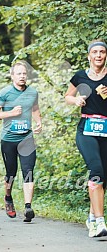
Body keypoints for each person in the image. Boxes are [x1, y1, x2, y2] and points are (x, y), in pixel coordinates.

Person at [0, 61, 42, 222]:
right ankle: (8, 198)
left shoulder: (32, 92)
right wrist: (10, 113)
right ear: (12, 76)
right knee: (11, 174)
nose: (22, 76)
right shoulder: (5, 93)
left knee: (28, 170)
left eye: (24, 74)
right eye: (19, 73)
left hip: (26, 138)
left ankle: (27, 207)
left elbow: (34, 108)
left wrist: (39, 121)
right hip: (9, 140)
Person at [65, 39, 107, 238]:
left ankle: (91, 217)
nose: (98, 55)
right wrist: (77, 99)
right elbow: (67, 96)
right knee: (96, 169)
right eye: (95, 52)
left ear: (105, 55)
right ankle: (100, 222)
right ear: (89, 55)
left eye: (102, 52)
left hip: (106, 130)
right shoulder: (80, 76)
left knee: (102, 178)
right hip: (87, 129)